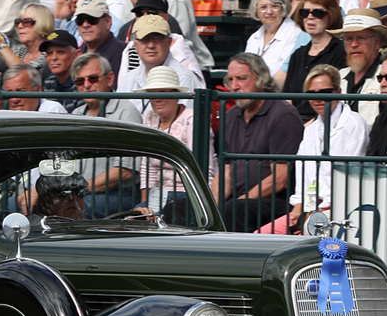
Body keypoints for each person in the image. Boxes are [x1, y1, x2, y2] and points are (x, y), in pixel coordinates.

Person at [263, 64, 367, 235]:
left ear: (338, 91)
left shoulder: (354, 124)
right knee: (262, 236)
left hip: (341, 209)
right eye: (312, 94)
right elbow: (305, 180)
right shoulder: (310, 130)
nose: (318, 99)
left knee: (308, 232)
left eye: (324, 92)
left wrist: (310, 213)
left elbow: (351, 179)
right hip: (310, 208)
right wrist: (300, 209)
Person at [218, 52, 303, 232]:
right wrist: (210, 206)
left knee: (234, 210)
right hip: (237, 201)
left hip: (274, 202)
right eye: (230, 80)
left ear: (261, 80)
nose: (234, 86)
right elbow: (225, 172)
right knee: (181, 208)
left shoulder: (282, 114)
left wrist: (241, 200)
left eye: (241, 79)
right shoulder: (231, 115)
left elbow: (280, 180)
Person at [135, 65, 202, 216]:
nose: (157, 98)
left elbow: (202, 167)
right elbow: (147, 165)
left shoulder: (192, 119)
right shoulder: (149, 117)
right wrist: (145, 204)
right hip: (157, 195)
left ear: (176, 94)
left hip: (186, 194)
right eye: (152, 94)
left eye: (163, 92)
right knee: (133, 216)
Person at [280, 0, 346, 118]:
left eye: (317, 13)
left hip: (326, 122)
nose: (310, 17)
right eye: (304, 12)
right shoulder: (297, 55)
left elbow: (338, 100)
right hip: (296, 122)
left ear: (331, 15)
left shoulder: (341, 51)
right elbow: (287, 97)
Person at [116, 12, 202, 105]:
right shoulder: (128, 79)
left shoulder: (184, 78)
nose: (151, 45)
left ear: (169, 42)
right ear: (135, 45)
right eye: (145, 39)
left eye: (157, 38)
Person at [332, 10, 387, 134]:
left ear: (377, 42)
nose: (354, 44)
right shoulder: (338, 77)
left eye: (361, 38)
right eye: (349, 39)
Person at [244, 0, 304, 85]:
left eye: (275, 6)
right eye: (263, 7)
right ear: (256, 11)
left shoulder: (295, 34)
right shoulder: (253, 38)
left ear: (284, 8)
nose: (269, 12)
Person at [71, 52, 138, 124]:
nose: (87, 85)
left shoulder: (126, 111)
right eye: (80, 81)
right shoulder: (76, 114)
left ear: (109, 79)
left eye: (93, 78)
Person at [71, 0, 125, 69]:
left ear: (108, 21)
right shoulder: (75, 54)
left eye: (92, 19)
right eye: (80, 20)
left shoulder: (125, 53)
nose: (85, 25)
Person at [0, 63, 68, 114]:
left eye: (21, 92)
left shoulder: (52, 110)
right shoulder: (5, 114)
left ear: (38, 90)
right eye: (10, 93)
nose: (15, 100)